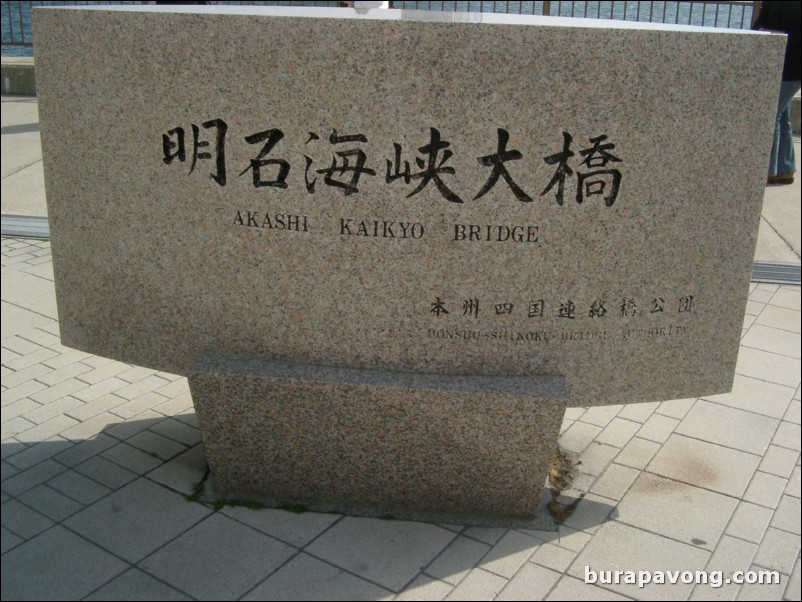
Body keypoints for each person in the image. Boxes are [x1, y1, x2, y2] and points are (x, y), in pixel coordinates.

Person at [754, 1, 801, 185]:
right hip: (775, 65)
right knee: (781, 116)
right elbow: (758, 23)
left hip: (794, 67)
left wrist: (783, 37)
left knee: (771, 114)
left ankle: (769, 169)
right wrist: (763, 31)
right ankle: (785, 168)